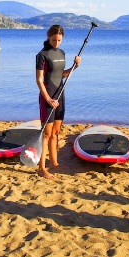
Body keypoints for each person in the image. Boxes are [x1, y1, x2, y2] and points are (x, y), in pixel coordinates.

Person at [35, 24, 81, 180]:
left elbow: (62, 75)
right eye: (54, 40)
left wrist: (74, 67)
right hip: (48, 98)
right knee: (46, 134)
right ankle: (41, 168)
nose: (56, 43)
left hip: (60, 95)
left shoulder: (61, 52)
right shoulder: (42, 55)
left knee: (56, 132)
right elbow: (39, 80)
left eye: (59, 40)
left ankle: (54, 163)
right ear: (49, 37)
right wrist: (48, 99)